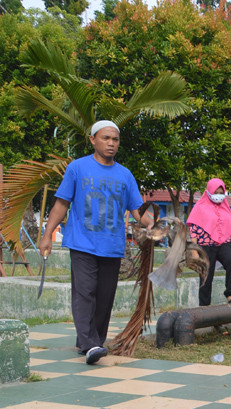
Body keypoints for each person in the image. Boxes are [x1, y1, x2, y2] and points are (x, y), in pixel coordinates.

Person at [39, 120, 150, 365]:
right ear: (93, 140)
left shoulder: (125, 174)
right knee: (84, 293)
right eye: (105, 138)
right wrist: (47, 234)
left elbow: (137, 211)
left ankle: (91, 342)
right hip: (82, 243)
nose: (111, 143)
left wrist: (155, 226)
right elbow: (62, 203)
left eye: (115, 139)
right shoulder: (77, 168)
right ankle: (90, 344)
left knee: (105, 297)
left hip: (111, 245)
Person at [187, 178, 231, 306]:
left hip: (224, 244)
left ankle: (230, 294)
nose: (219, 195)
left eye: (221, 192)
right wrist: (195, 253)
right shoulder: (199, 207)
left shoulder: (226, 208)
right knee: (206, 276)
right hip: (206, 246)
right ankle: (204, 307)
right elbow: (193, 231)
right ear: (209, 191)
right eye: (216, 192)